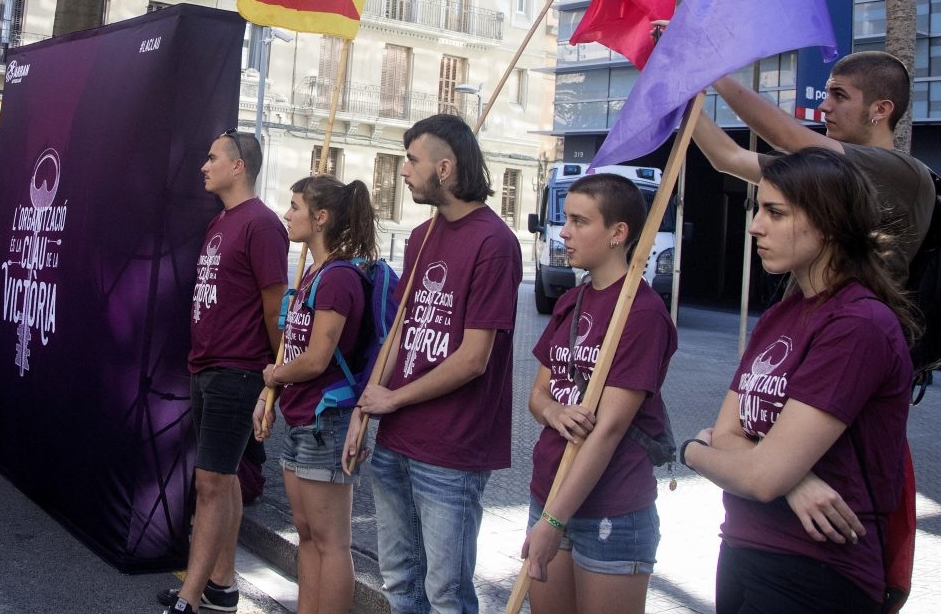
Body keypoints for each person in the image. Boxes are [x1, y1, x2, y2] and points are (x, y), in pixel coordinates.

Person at [681, 148, 915, 614]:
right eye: (757, 210)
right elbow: (730, 432)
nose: (755, 227)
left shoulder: (857, 324)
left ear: (828, 222)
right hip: (744, 547)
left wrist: (690, 451)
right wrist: (793, 481)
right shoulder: (783, 314)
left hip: (818, 570)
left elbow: (760, 475)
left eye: (775, 212)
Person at [343, 113, 521, 614]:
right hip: (396, 440)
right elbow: (400, 328)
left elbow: (473, 359)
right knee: (399, 581)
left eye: (412, 161)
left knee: (447, 594)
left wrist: (391, 397)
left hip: (452, 451)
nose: (404, 171)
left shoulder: (495, 244)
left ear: (444, 169)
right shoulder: (421, 237)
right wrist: (364, 412)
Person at [520, 174, 677, 614]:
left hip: (612, 509)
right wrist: (554, 411)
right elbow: (538, 394)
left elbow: (608, 429)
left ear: (617, 233)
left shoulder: (642, 313)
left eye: (578, 221)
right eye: (565, 219)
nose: (564, 232)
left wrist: (554, 521)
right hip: (548, 490)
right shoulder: (572, 301)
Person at [160, 129, 288, 614]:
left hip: (238, 372)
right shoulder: (220, 223)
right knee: (226, 478)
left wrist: (272, 382)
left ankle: (190, 599)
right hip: (206, 367)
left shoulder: (261, 225)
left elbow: (276, 309)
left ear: (239, 166)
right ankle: (222, 584)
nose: (203, 165)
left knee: (211, 483)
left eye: (212, 157)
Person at [253, 174, 375, 614]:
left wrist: (272, 378)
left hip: (328, 424)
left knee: (331, 542)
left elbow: (317, 358)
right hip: (302, 420)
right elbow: (297, 347)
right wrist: (268, 396)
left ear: (320, 218)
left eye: (295, 206)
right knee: (305, 534)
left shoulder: (339, 278)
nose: (287, 214)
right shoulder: (311, 273)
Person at [694, 51, 934, 269]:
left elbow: (787, 137)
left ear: (880, 110)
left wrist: (709, 69)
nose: (823, 106)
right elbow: (728, 157)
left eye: (839, 96)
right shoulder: (826, 169)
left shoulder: (905, 172)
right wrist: (681, 91)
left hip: (855, 316)